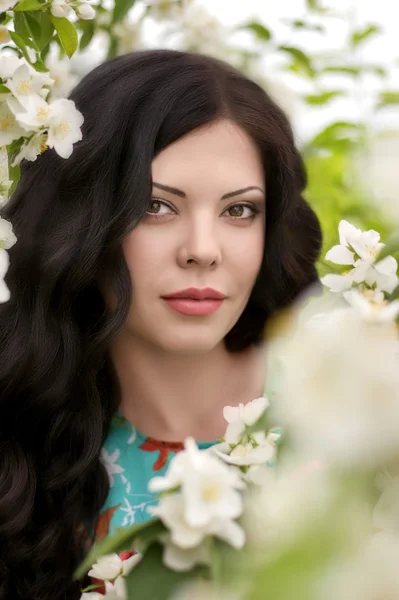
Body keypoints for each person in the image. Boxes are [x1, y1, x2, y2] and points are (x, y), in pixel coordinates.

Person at [0, 49, 322, 600]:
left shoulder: (352, 423)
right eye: (155, 206)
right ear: (83, 221)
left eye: (239, 210)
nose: (202, 251)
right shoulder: (22, 441)